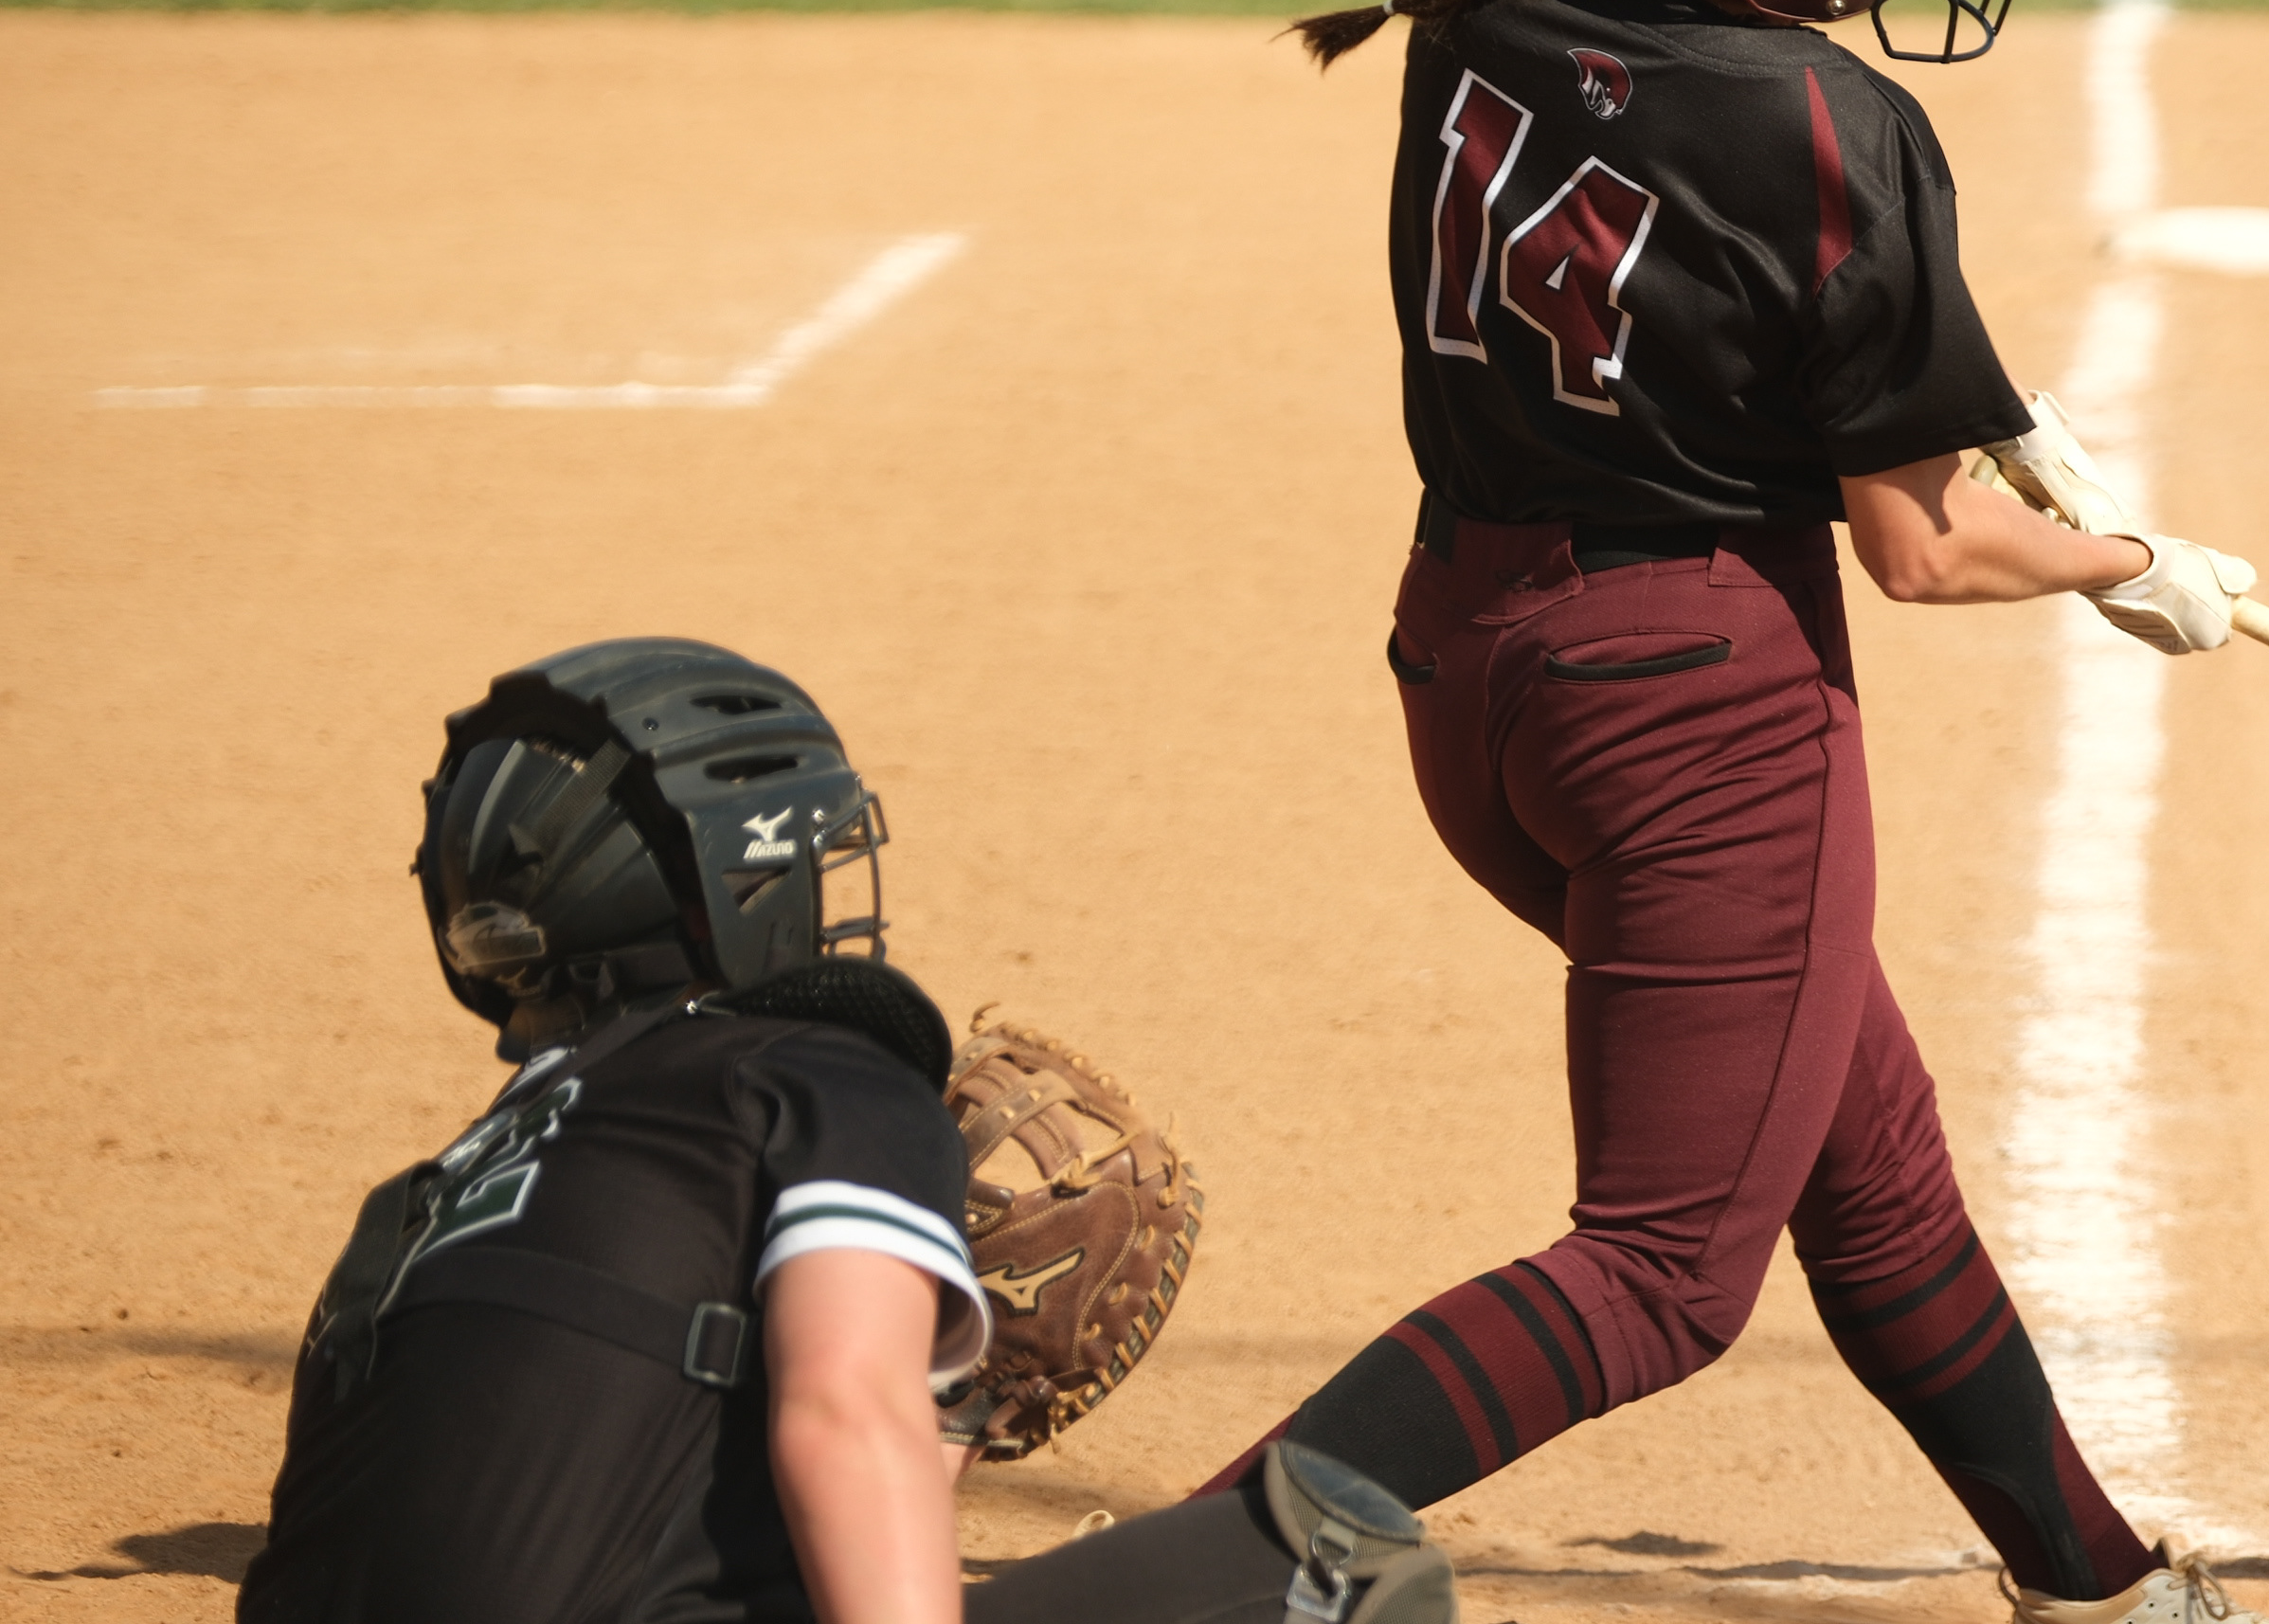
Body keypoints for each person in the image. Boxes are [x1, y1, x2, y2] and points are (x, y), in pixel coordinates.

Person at [1244, 0, 2269, 1624]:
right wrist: (2127, 561)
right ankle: (1179, 1565)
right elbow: (1918, 549)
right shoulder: (1829, 126)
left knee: (1866, 1155)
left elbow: (1696, 289)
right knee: (1659, 1265)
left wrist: (1991, 411)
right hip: (1696, 719)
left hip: (1473, 664)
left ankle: (2096, 1579)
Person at [240, 637, 1452, 1624]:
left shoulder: (413, 1208)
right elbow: (839, 1413)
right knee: (1329, 1557)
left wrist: (957, 1410)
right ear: (724, 886)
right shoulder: (818, 1076)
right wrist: (914, 1393)